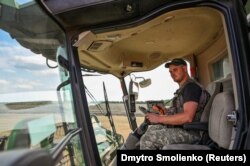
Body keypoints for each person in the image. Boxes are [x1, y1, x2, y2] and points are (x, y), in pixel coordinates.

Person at [140, 58, 210, 150]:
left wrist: (159, 118)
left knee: (148, 139)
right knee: (151, 129)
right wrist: (165, 111)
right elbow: (181, 110)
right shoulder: (184, 89)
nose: (172, 73)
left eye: (175, 69)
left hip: (193, 132)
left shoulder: (191, 88)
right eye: (170, 72)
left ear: (184, 68)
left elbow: (187, 117)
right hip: (185, 128)